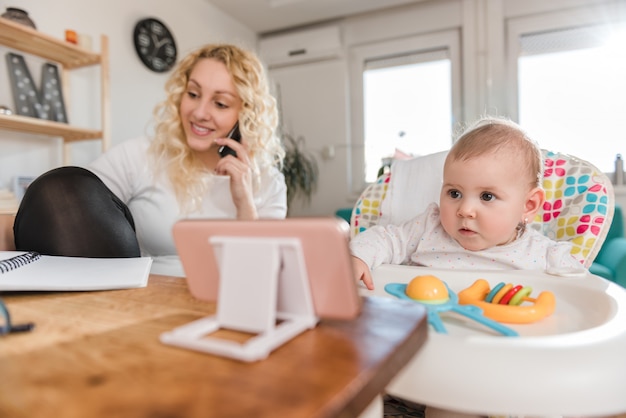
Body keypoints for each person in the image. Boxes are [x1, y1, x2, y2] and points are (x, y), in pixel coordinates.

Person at [13, 43, 288, 276]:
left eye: (220, 103)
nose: (200, 112)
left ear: (246, 114)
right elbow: (70, 204)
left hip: (226, 300)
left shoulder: (269, 182)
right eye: (193, 94)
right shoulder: (143, 155)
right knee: (58, 186)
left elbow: (264, 272)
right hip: (141, 299)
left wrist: (244, 202)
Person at [350, 116, 585, 291]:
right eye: (454, 193)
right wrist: (358, 257)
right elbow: (385, 239)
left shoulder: (546, 255)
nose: (465, 210)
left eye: (487, 196)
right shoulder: (428, 228)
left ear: (529, 205)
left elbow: (586, 295)